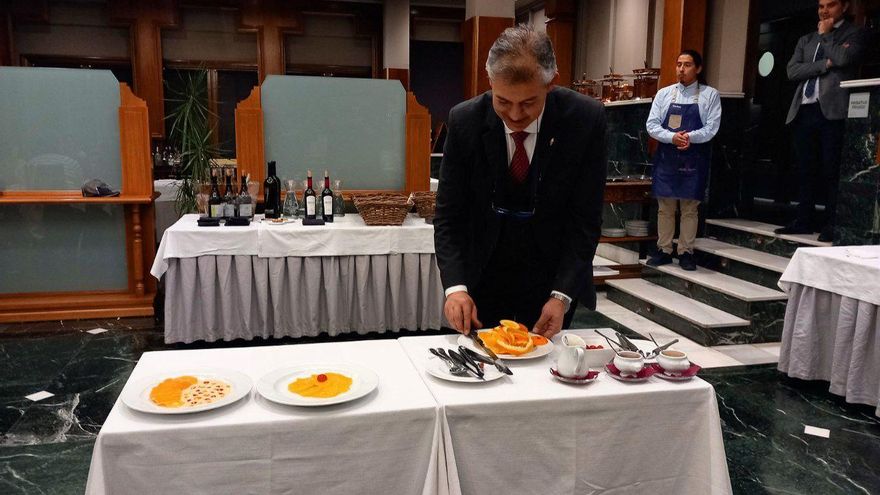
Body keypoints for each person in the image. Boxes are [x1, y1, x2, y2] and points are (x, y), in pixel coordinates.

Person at [433, 25, 606, 339]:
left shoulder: (585, 120)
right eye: (503, 101)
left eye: (527, 103)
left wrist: (562, 295)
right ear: (490, 82)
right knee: (483, 367)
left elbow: (585, 219)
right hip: (483, 271)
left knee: (544, 370)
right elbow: (449, 216)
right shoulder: (464, 121)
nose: (514, 115)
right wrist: (456, 289)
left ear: (550, 84)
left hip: (551, 274)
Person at [775, 0, 867, 242]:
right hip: (804, 108)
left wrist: (826, 37)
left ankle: (831, 223)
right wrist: (823, 64)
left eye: (831, 5)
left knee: (830, 169)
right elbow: (792, 71)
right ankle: (803, 219)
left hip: (833, 111)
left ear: (844, 7)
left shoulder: (854, 33)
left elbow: (844, 59)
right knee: (805, 168)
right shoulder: (806, 39)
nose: (824, 10)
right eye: (820, 6)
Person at [645, 50, 721, 271]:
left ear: (697, 68)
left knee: (689, 208)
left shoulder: (710, 95)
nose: (681, 69)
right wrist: (672, 138)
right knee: (665, 207)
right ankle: (664, 250)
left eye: (687, 65)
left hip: (694, 157)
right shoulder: (664, 94)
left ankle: (686, 252)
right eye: (678, 64)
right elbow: (652, 125)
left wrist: (689, 137)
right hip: (667, 157)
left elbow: (712, 127)